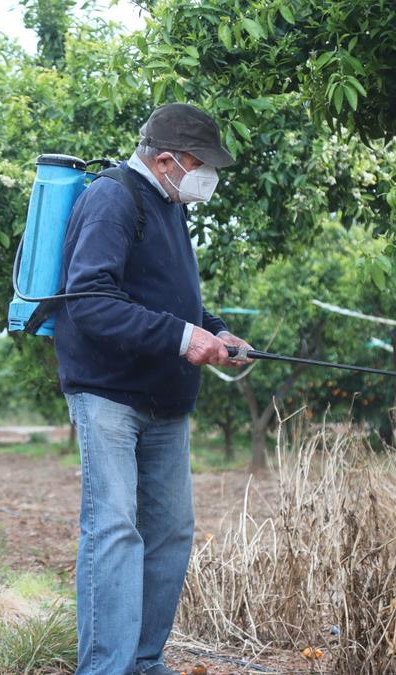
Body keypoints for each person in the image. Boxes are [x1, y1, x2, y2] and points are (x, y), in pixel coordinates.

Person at [54, 103, 253, 675]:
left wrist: (213, 330)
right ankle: (105, 668)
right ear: (164, 159)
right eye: (199, 164)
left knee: (170, 533)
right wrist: (182, 336)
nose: (206, 177)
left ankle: (143, 662)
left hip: (166, 398)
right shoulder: (114, 197)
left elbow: (170, 299)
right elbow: (89, 300)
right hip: (109, 393)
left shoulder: (169, 206)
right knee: (114, 529)